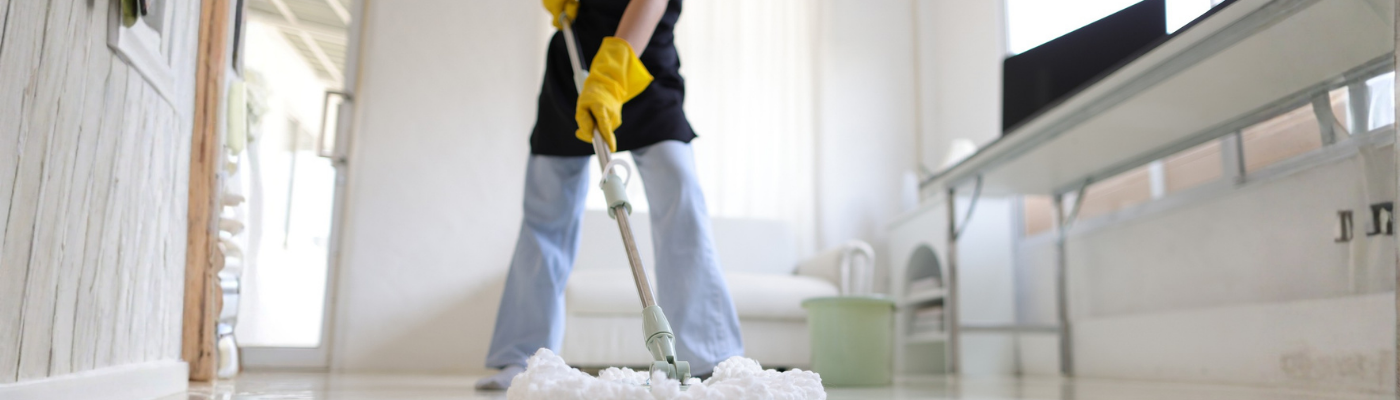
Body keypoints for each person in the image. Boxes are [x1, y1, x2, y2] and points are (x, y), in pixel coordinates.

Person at [474, 0, 744, 390]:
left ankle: (710, 354)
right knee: (546, 209)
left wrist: (613, 74)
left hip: (641, 62)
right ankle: (524, 356)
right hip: (575, 59)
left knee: (678, 187)